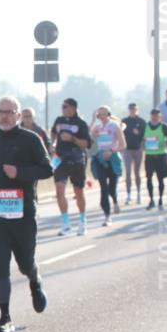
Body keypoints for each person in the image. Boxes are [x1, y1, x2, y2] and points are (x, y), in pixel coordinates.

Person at [0, 96, 52, 332]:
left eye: (10, 112)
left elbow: (47, 169)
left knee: (25, 264)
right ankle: (5, 317)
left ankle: (34, 278)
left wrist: (19, 172)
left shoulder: (31, 140)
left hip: (24, 215)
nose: (5, 116)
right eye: (1, 112)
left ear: (19, 115)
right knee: (0, 266)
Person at [50, 98, 92, 236]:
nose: (62, 109)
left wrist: (73, 139)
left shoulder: (81, 124)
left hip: (76, 160)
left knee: (78, 191)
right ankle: (66, 223)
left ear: (72, 108)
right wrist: (53, 143)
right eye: (62, 106)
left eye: (65, 106)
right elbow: (53, 133)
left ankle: (82, 220)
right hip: (60, 160)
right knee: (59, 190)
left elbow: (86, 143)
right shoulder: (59, 120)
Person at [89, 106, 126, 226]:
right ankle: (107, 216)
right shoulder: (98, 127)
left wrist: (111, 151)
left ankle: (115, 201)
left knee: (111, 187)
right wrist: (93, 119)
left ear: (109, 114)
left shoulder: (114, 126)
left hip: (113, 158)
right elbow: (88, 133)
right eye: (100, 114)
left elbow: (123, 145)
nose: (102, 116)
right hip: (100, 159)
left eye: (104, 114)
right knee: (103, 188)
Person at [143, 108, 167, 211]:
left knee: (160, 178)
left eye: (157, 115)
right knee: (149, 178)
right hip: (149, 155)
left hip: (161, 155)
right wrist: (143, 143)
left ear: (159, 116)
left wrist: (165, 143)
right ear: (151, 115)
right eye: (153, 115)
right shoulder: (146, 126)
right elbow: (140, 138)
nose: (155, 116)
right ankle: (151, 200)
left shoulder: (163, 127)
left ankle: (160, 201)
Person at [121, 102, 146, 205]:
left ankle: (139, 193)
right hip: (127, 149)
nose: (132, 110)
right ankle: (128, 195)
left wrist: (138, 133)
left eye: (134, 109)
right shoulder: (124, 121)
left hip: (138, 148)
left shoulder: (141, 121)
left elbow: (145, 136)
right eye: (131, 109)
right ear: (129, 110)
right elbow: (120, 133)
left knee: (137, 172)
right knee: (127, 172)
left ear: (137, 110)